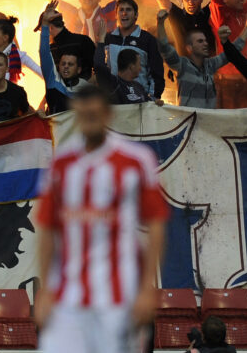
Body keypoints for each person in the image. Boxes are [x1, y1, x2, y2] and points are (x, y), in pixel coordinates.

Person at [35, 86, 169, 353]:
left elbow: (156, 224)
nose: (89, 121)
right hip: (67, 296)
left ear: (107, 114)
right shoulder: (61, 163)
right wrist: (45, 289)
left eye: (94, 114)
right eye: (83, 115)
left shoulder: (136, 159)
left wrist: (146, 289)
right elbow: (47, 228)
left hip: (119, 297)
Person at [157, 10, 240, 109]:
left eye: (205, 41)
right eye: (200, 41)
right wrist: (160, 24)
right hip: (190, 117)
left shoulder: (210, 64)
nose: (205, 44)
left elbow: (232, 52)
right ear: (189, 48)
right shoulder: (183, 65)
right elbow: (164, 48)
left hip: (209, 117)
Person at [101, 0, 165, 97]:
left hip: (139, 100)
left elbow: (156, 73)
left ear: (136, 15)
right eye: (121, 10)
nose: (124, 13)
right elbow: (102, 69)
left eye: (128, 10)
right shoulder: (108, 38)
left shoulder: (148, 39)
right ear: (116, 15)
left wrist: (152, 99)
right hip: (114, 99)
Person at [38, 1, 90, 114]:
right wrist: (45, 24)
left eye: (70, 64)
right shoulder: (54, 82)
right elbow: (44, 53)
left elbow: (99, 72)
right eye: (62, 64)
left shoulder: (88, 90)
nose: (66, 66)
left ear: (79, 69)